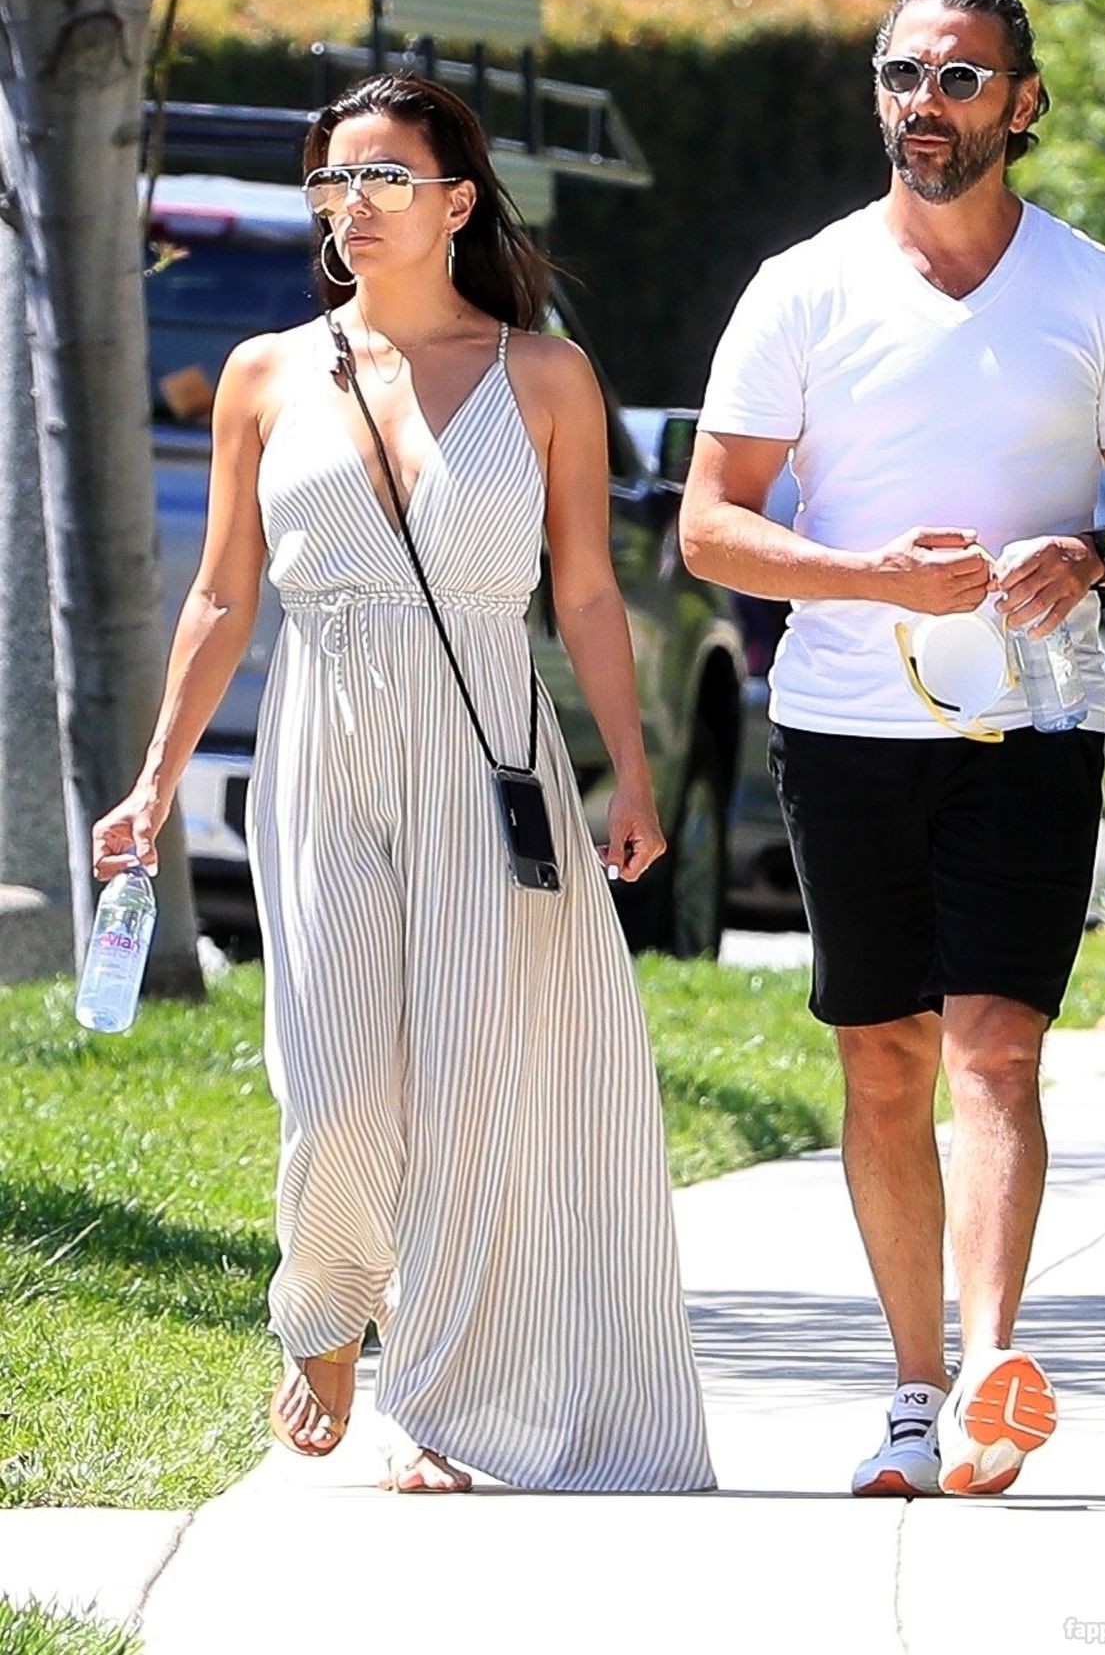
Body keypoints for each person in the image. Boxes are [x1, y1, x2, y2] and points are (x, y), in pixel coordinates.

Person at [93, 73, 714, 1497]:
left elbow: (588, 594)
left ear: (458, 202)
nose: (351, 204)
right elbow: (221, 598)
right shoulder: (265, 374)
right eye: (334, 179)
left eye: (384, 178)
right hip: (321, 749)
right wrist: (153, 780)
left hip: (489, 756)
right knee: (329, 1077)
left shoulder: (543, 377)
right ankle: (324, 1305)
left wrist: (631, 772)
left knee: (474, 1083)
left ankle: (430, 1397)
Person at [679, 0, 1105, 1498]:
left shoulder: (1095, 290)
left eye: (961, 77)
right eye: (904, 74)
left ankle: (987, 1376)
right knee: (885, 1057)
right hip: (842, 725)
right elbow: (712, 525)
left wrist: (1090, 554)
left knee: (996, 1045)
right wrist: (866, 579)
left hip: (1033, 719)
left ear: (1022, 104)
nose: (927, 102)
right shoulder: (801, 287)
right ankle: (912, 1392)